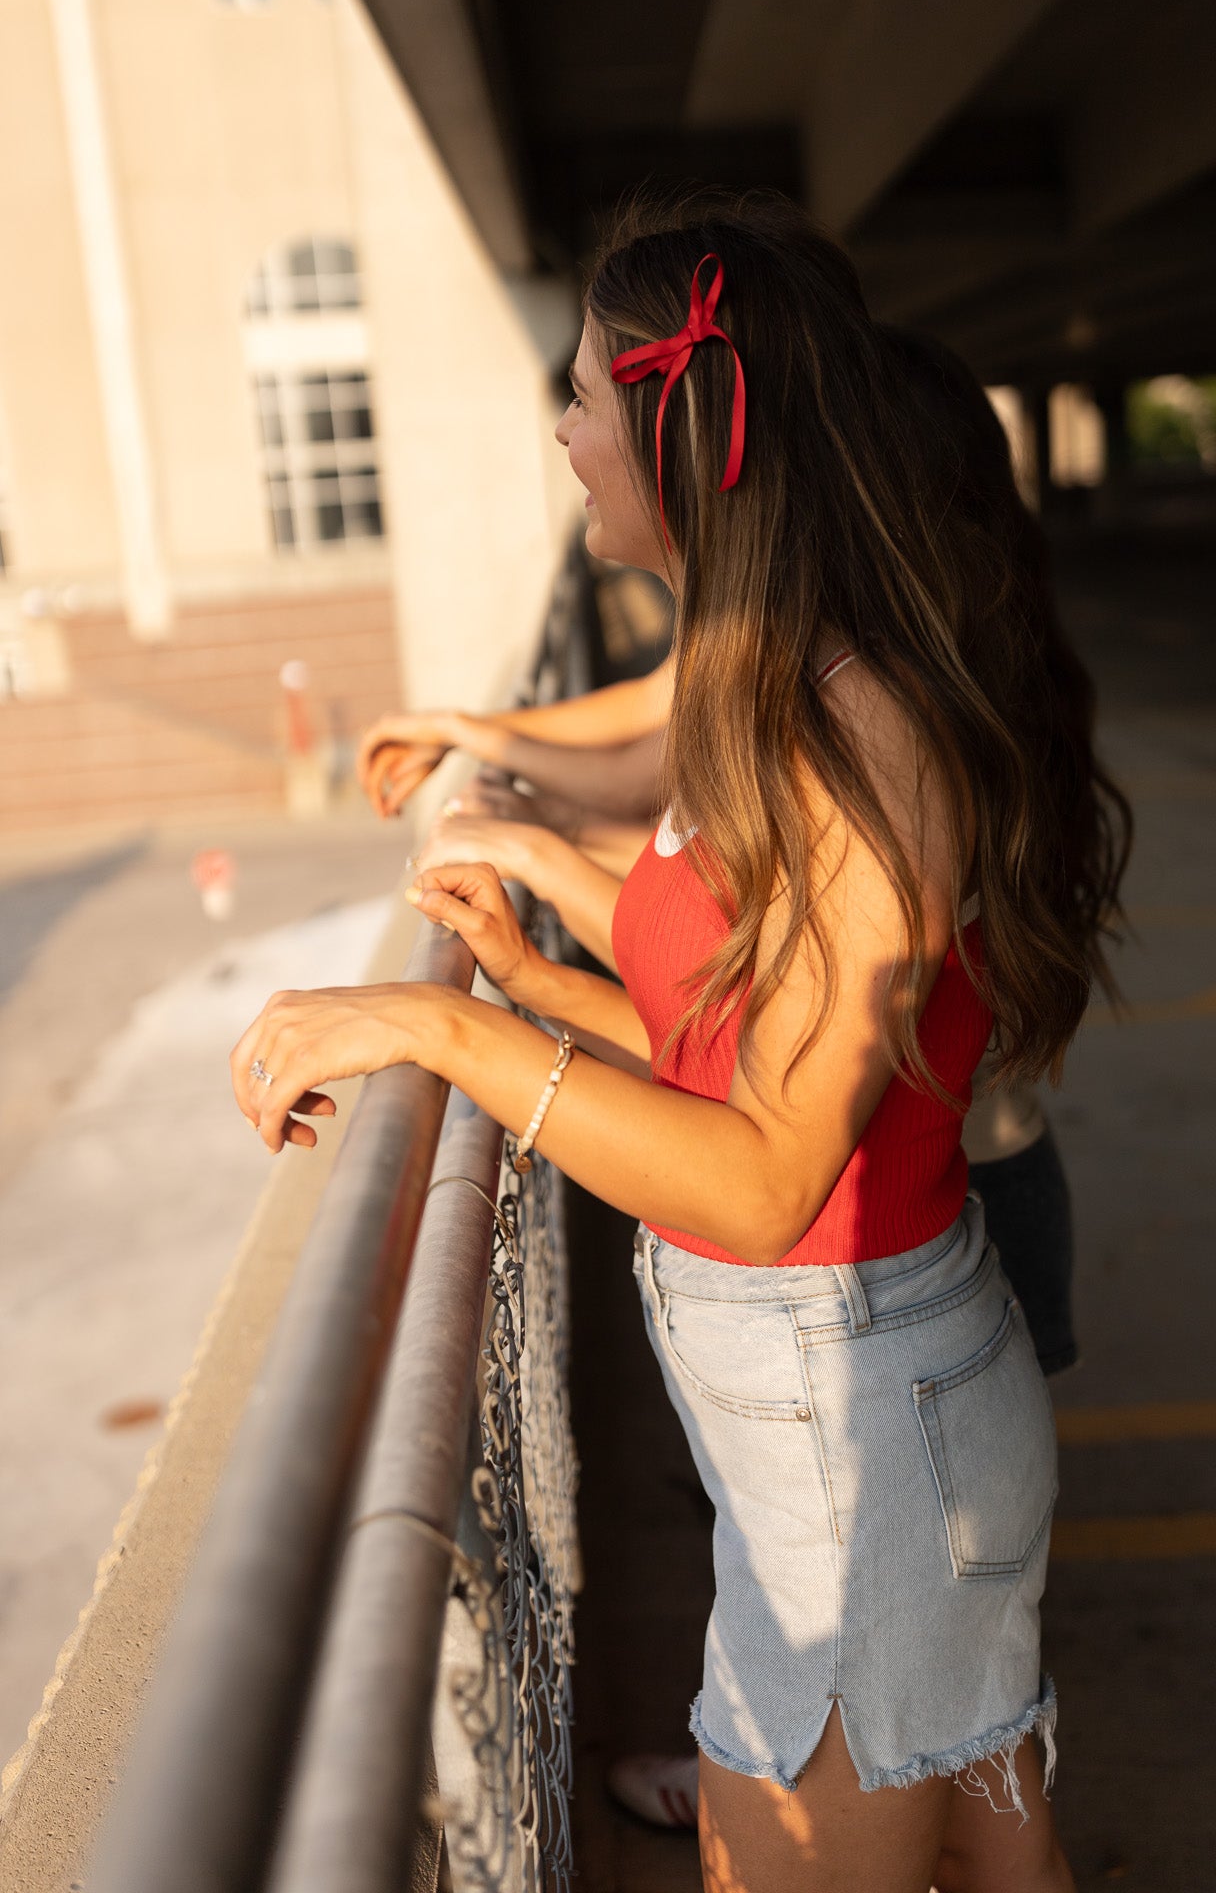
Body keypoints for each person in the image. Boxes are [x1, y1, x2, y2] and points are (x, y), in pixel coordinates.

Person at [233, 192, 1129, 1893]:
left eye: (577, 395)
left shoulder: (845, 734)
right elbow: (740, 1041)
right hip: (855, 1433)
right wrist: (542, 979)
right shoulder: (763, 683)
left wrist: (439, 1024)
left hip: (866, 1449)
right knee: (1004, 1868)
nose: (562, 434)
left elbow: (774, 1171)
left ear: (682, 426)